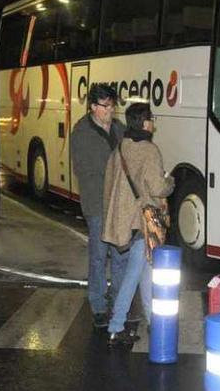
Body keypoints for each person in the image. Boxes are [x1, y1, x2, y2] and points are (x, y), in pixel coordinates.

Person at [101, 103, 174, 348]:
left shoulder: (121, 147)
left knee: (146, 270)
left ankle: (153, 319)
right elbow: (157, 187)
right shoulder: (150, 150)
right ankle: (116, 326)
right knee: (134, 273)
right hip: (142, 221)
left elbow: (110, 182)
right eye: (151, 119)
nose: (153, 123)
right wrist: (170, 182)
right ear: (144, 122)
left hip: (125, 219)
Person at [70, 83, 129, 329]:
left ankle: (118, 302)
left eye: (113, 105)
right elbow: (88, 170)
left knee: (120, 255)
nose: (110, 110)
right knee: (98, 255)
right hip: (97, 204)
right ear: (93, 107)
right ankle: (98, 305)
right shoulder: (82, 132)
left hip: (120, 205)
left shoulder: (119, 128)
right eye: (105, 106)